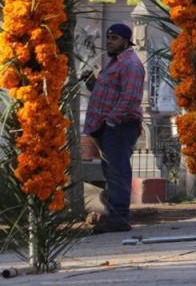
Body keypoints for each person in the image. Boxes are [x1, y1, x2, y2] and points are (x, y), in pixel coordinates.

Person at [83, 23, 145, 234]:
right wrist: (93, 84)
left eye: (115, 38)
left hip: (119, 126)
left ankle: (119, 217)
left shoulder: (130, 64)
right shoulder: (114, 62)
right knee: (111, 172)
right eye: (109, 38)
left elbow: (130, 98)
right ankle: (113, 215)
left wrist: (111, 120)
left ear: (126, 41)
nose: (110, 41)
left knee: (118, 172)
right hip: (106, 127)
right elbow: (111, 91)